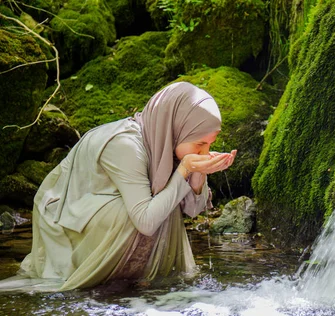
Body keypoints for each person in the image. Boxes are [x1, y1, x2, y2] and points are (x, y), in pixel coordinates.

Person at [0, 82, 235, 291]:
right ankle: (114, 279)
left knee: (165, 201)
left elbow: (194, 211)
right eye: (199, 144)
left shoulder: (166, 144)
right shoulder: (125, 145)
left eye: (210, 144)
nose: (204, 152)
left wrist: (198, 172)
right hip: (65, 217)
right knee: (145, 210)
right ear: (176, 129)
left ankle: (148, 282)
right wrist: (184, 170)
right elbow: (145, 221)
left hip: (100, 209)